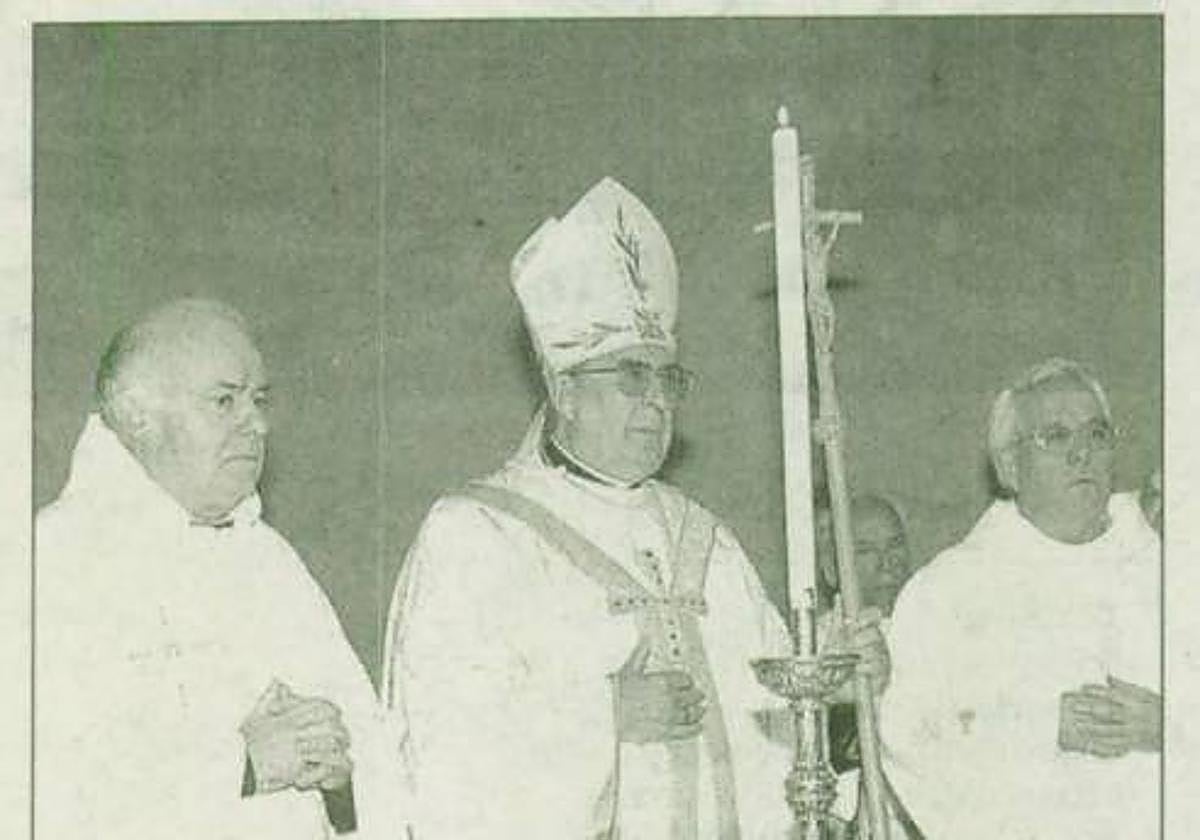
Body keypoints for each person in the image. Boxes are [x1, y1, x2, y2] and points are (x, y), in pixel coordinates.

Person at [383, 177, 887, 839]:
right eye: (631, 375)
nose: (656, 400)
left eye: (667, 378)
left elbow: (766, 729)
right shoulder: (477, 536)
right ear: (564, 391)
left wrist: (830, 680)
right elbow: (442, 744)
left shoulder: (704, 541)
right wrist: (603, 718)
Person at [35, 299, 404, 839]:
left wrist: (340, 781)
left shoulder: (270, 560)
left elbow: (368, 752)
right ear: (137, 413)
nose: (257, 423)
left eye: (259, 400)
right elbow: (46, 787)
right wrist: (242, 764)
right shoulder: (55, 559)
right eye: (224, 400)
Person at [879, 358, 1160, 839]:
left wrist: (1170, 725)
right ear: (1010, 466)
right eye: (1056, 436)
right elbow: (910, 735)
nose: (1082, 454)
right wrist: (1042, 728)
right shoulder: (950, 591)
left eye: (1096, 434)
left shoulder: (1169, 567)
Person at [815, 494, 923, 839]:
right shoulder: (815, 649)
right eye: (865, 550)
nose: (887, 562)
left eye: (895, 545)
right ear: (831, 569)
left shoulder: (937, 627)